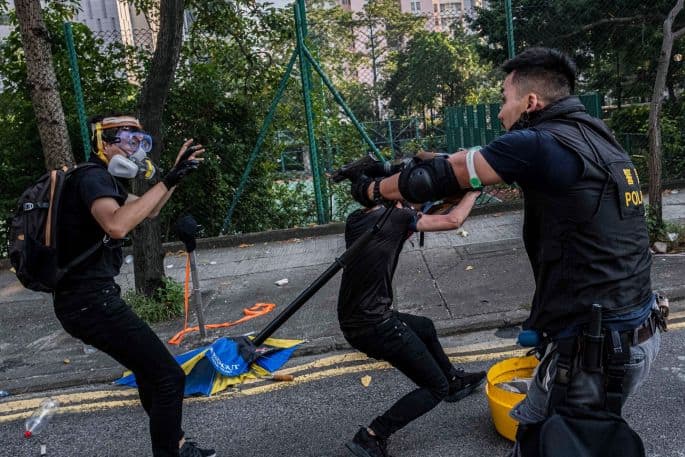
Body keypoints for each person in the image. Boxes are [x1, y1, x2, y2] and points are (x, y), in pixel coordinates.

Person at [346, 48, 662, 455]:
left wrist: (371, 190)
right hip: (624, 328)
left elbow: (446, 175)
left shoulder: (541, 142)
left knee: (549, 443)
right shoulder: (597, 137)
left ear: (531, 103)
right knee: (534, 433)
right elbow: (467, 165)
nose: (499, 112)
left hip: (597, 350)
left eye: (503, 98)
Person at [52, 115, 215, 457]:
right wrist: (167, 179)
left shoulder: (101, 181)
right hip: (89, 302)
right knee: (169, 377)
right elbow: (117, 225)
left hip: (88, 300)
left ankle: (177, 443)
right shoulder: (92, 177)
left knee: (149, 371)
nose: (135, 149)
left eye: (142, 142)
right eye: (127, 140)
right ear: (104, 143)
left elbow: (148, 212)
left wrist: (172, 178)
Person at [339, 194, 486, 457]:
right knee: (433, 388)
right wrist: (473, 192)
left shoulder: (358, 220)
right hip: (376, 326)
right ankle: (372, 435)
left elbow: (411, 221)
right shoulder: (399, 218)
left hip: (355, 319)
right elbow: (454, 220)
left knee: (424, 326)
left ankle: (454, 381)